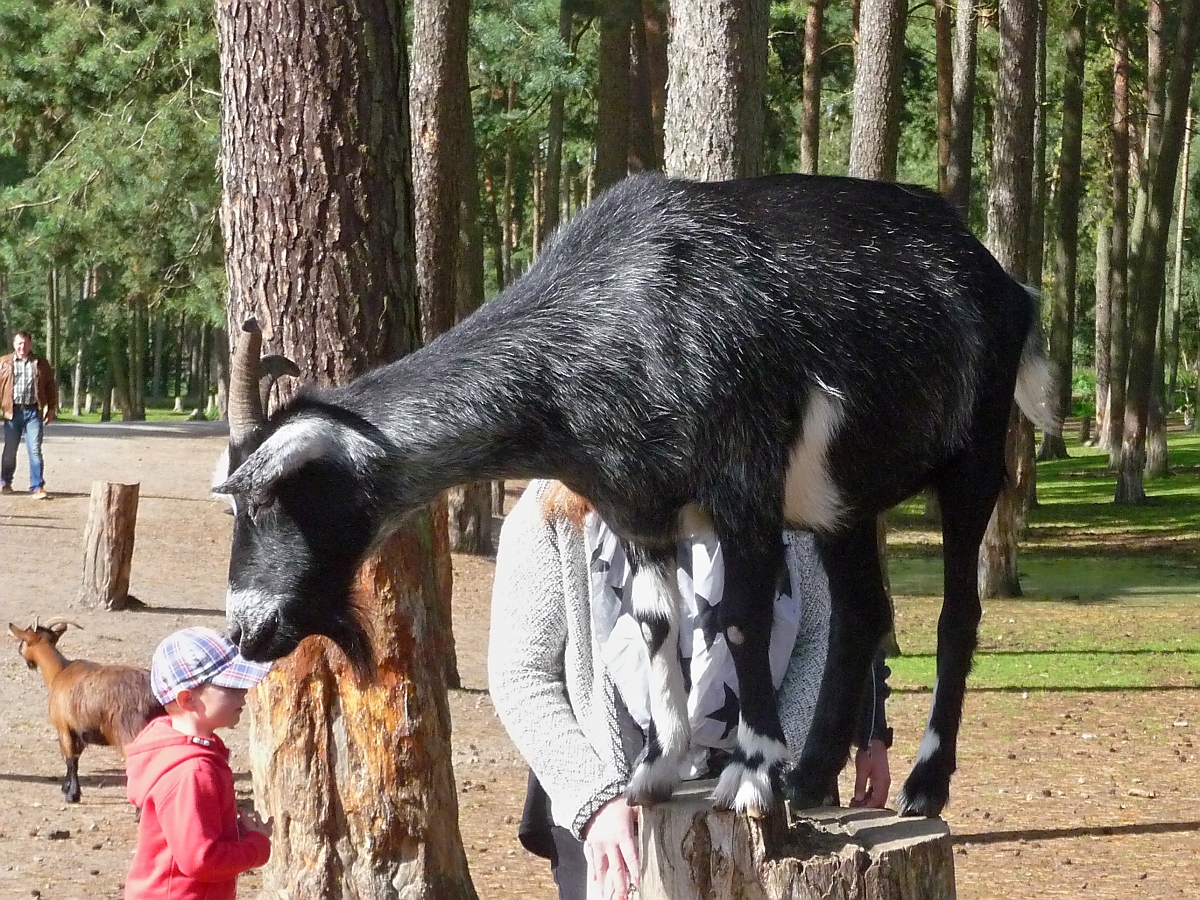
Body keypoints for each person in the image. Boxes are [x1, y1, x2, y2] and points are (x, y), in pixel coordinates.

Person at [489, 481, 894, 900]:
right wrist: (596, 803)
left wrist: (772, 773)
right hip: (615, 819)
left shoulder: (780, 476)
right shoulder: (550, 502)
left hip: (771, 810)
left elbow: (827, 635)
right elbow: (522, 675)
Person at [123, 626, 275, 900]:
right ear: (187, 699)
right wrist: (256, 847)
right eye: (232, 686)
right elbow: (200, 859)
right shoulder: (192, 772)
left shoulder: (180, 750)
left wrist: (235, 833)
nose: (244, 694)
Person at [0, 330, 58, 498]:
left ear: (30, 344)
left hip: (34, 411)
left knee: (34, 449)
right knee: (10, 449)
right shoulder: (4, 363)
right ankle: (5, 482)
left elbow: (50, 386)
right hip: (12, 412)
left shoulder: (40, 363)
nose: (22, 347)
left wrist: (52, 408)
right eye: (19, 343)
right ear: (14, 344)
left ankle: (37, 486)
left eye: (25, 343)